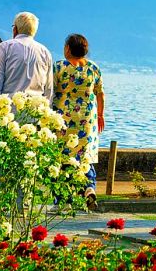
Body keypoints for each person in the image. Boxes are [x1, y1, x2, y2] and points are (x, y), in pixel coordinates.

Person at [52, 34, 105, 208]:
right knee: (85, 157)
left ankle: (62, 200)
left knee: (63, 158)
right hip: (87, 120)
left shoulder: (59, 67)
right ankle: (89, 188)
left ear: (67, 48)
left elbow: (50, 90)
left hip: (64, 120)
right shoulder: (93, 68)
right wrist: (101, 114)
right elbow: (100, 94)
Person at [0, 12, 54, 103]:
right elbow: (49, 88)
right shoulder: (45, 52)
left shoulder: (5, 47)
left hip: (9, 109)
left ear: (15, 29)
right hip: (36, 110)